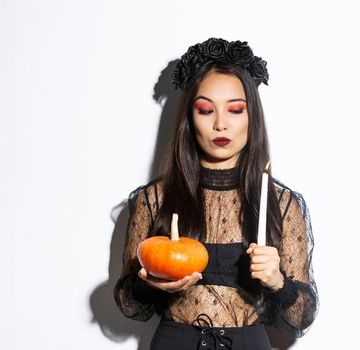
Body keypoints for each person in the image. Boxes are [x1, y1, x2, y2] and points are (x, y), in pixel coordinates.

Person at [114, 38, 318, 350]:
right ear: (189, 119)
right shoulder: (155, 199)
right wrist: (150, 285)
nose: (221, 124)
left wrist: (277, 282)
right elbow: (128, 303)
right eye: (206, 110)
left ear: (252, 118)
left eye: (235, 110)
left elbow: (301, 317)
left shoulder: (281, 203)